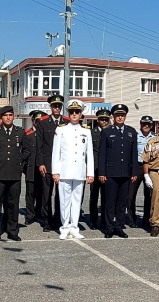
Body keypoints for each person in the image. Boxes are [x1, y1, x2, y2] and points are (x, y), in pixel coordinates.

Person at [0, 106, 30, 242]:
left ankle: (12, 230)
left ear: (13, 117)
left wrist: (19, 162)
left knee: (13, 204)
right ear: (1, 118)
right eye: (5, 115)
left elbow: (26, 151)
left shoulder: (20, 132)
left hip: (14, 174)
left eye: (10, 115)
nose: (8, 117)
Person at [52, 100, 94, 240]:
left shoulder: (86, 131)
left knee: (77, 201)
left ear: (81, 114)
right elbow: (56, 152)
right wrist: (55, 172)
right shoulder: (61, 129)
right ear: (68, 114)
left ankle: (74, 227)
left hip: (79, 172)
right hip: (64, 171)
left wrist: (90, 173)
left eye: (77, 112)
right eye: (71, 112)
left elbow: (89, 155)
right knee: (64, 201)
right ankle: (64, 227)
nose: (74, 114)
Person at [98, 104, 139, 238]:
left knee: (122, 202)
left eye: (122, 115)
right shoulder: (106, 132)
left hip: (126, 173)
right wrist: (102, 172)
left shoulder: (131, 132)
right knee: (110, 201)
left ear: (125, 116)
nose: (120, 117)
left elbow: (133, 154)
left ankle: (119, 226)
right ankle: (109, 227)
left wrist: (134, 172)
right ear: (113, 117)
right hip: (110, 172)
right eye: (117, 115)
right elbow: (102, 154)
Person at [36, 95, 69, 232]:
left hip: (63, 164)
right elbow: (39, 145)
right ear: (50, 107)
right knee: (46, 194)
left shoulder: (67, 121)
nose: (57, 108)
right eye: (54, 106)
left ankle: (58, 219)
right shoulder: (43, 122)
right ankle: (47, 221)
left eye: (59, 106)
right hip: (48, 163)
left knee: (61, 194)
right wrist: (40, 163)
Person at [127, 115, 154, 228]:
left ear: (151, 125)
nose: (146, 126)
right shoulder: (135, 136)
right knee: (130, 194)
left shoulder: (155, 138)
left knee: (149, 195)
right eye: (144, 123)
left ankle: (147, 220)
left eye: (148, 124)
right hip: (137, 166)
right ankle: (131, 219)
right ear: (140, 124)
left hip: (150, 167)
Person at [89, 108, 111, 230]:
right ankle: (93, 220)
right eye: (102, 119)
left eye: (106, 119)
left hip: (107, 169)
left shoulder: (111, 132)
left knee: (106, 196)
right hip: (95, 168)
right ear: (97, 120)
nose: (104, 121)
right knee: (94, 195)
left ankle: (104, 220)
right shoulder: (92, 133)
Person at [24, 110, 46, 225]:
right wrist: (25, 169)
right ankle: (30, 214)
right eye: (36, 120)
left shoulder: (46, 133)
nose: (38, 123)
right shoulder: (27, 134)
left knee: (42, 192)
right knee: (30, 193)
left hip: (43, 168)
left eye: (40, 121)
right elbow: (23, 153)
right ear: (33, 121)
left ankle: (39, 212)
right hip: (31, 169)